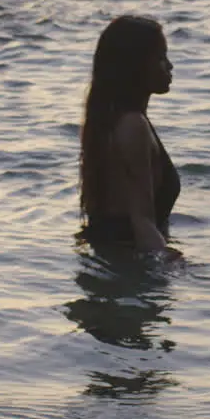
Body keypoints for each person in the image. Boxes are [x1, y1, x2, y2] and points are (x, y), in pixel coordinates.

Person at [79, 15, 181, 260]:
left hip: (111, 259)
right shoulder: (132, 126)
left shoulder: (109, 120)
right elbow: (142, 222)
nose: (169, 66)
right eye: (160, 58)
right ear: (135, 66)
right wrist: (179, 270)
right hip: (127, 268)